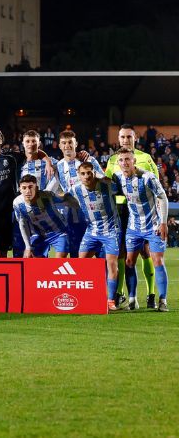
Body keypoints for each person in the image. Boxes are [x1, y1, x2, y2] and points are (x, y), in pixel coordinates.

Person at [0, 127, 53, 258]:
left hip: (6, 216)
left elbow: (33, 151)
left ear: (1, 140)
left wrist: (47, 161)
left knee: (2, 253)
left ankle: (3, 278)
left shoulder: (12, 158)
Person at [105, 125, 161, 309]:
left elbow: (157, 187)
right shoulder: (113, 159)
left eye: (129, 137)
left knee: (146, 253)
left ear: (135, 138)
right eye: (122, 137)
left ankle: (151, 293)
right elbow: (107, 185)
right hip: (120, 211)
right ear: (118, 139)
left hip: (142, 212)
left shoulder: (145, 158)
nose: (125, 140)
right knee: (121, 253)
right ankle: (121, 293)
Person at [111, 147, 169, 312]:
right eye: (121, 160)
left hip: (153, 226)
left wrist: (163, 222)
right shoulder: (118, 178)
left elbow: (162, 196)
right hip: (133, 227)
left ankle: (162, 299)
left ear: (134, 160)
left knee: (157, 260)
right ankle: (132, 299)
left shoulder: (147, 177)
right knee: (129, 262)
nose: (124, 163)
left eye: (128, 159)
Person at [69, 162, 121, 311]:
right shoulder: (76, 189)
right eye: (83, 174)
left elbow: (117, 187)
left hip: (111, 230)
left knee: (111, 264)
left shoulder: (106, 185)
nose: (86, 176)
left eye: (89, 173)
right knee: (81, 263)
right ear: (79, 175)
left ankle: (110, 300)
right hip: (92, 231)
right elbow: (64, 196)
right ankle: (85, 296)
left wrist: (101, 175)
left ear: (94, 173)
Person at [47, 130, 104, 258]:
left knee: (103, 257)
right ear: (60, 146)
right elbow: (50, 191)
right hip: (74, 218)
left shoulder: (88, 160)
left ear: (76, 143)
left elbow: (104, 182)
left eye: (70, 142)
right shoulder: (58, 166)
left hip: (95, 216)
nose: (67, 145)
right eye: (64, 143)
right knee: (77, 257)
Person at [13, 175, 76, 258]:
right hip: (39, 235)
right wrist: (28, 247)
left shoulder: (47, 196)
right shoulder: (17, 203)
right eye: (24, 188)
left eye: (31, 187)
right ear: (20, 189)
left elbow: (64, 199)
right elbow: (23, 224)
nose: (28, 191)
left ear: (36, 188)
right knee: (28, 257)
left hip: (60, 232)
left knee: (59, 260)